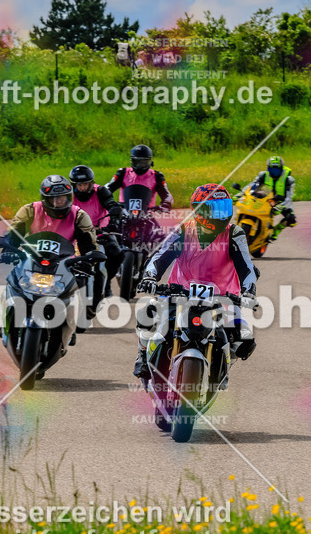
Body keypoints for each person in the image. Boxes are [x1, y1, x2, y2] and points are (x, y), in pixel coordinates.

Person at [131, 183, 257, 382]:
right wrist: (150, 277)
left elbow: (247, 267)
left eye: (224, 208)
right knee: (147, 313)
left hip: (223, 298)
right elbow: (159, 257)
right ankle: (143, 354)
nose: (220, 215)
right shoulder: (182, 231)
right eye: (214, 210)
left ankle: (223, 365)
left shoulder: (235, 234)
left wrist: (249, 291)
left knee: (245, 339)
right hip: (178, 293)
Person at [69, 165, 124, 305]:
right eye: (79, 185)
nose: (82, 188)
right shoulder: (68, 196)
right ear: (73, 185)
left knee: (116, 253)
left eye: (85, 184)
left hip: (100, 233)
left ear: (91, 183)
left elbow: (111, 203)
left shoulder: (100, 191)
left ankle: (107, 283)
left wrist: (114, 215)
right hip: (76, 235)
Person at [2, 174, 97, 255]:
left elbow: (89, 244)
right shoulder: (29, 211)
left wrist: (88, 260)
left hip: (66, 263)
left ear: (69, 196)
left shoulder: (79, 215)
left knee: (89, 275)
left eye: (63, 197)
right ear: (46, 199)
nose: (59, 201)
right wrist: (8, 250)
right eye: (54, 198)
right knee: (12, 276)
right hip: (31, 260)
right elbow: (13, 234)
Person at [104, 145, 175, 211]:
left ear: (150, 161)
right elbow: (107, 189)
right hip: (124, 214)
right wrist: (109, 202)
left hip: (147, 215)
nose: (140, 165)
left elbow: (166, 194)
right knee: (110, 224)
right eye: (138, 162)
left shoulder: (157, 176)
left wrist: (166, 204)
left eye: (144, 162)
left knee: (157, 225)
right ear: (132, 161)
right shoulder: (123, 173)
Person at [247, 155, 297, 242]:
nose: (274, 173)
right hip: (264, 199)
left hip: (281, 202)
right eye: (271, 170)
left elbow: (289, 197)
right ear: (268, 169)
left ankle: (276, 231)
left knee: (292, 220)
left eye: (277, 170)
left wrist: (280, 206)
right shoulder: (263, 175)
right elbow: (251, 185)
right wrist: (240, 194)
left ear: (281, 168)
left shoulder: (289, 179)